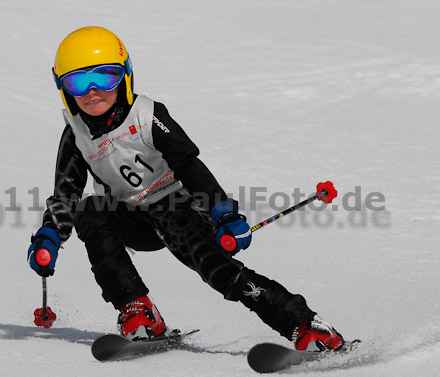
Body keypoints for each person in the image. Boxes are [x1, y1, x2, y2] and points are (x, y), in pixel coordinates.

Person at [27, 26, 345, 351]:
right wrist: (51, 235)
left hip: (177, 210)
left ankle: (306, 325)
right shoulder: (76, 135)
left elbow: (189, 166)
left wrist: (223, 213)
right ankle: (138, 310)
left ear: (124, 77)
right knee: (90, 211)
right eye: (78, 82)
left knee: (219, 273)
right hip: (131, 221)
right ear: (64, 88)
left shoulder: (149, 116)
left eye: (105, 77)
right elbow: (66, 193)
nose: (93, 91)